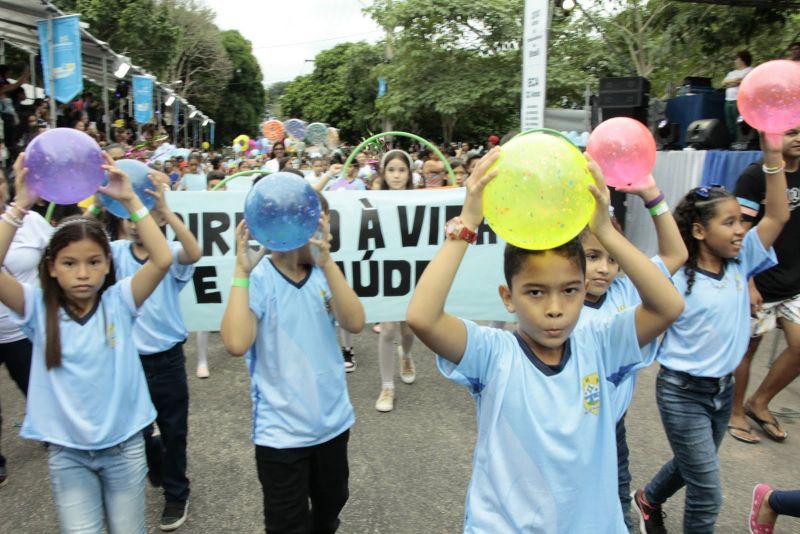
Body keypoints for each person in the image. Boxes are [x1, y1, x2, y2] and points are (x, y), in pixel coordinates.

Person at [406, 148, 684, 532]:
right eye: (535, 292)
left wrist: (605, 231)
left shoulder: (600, 345)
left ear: (584, 287)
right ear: (508, 297)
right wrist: (468, 221)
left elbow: (668, 306)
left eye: (570, 290)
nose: (555, 308)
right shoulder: (493, 353)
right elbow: (422, 317)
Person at [0, 153, 172, 532]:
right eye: (68, 263)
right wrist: (20, 205)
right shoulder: (35, 308)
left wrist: (131, 201)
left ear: (108, 265)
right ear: (50, 267)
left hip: (125, 449)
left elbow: (162, 260)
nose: (82, 274)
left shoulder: (120, 301)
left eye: (94, 262)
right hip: (68, 455)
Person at [632, 135, 789, 534]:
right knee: (707, 491)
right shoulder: (674, 276)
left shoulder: (742, 262)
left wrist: (773, 159)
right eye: (730, 222)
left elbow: (777, 217)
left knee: (691, 467)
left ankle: (649, 497)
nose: (742, 229)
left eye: (741, 220)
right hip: (682, 393)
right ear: (699, 231)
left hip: (721, 392)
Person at [220, 194, 365, 533]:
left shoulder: (324, 275)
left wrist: (328, 264)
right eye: (311, 224)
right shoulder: (259, 279)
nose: (317, 233)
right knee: (286, 523)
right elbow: (236, 342)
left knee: (332, 503)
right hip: (280, 434)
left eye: (322, 225)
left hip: (331, 424)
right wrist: (241, 272)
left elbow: (355, 321)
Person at [575, 173, 687, 532]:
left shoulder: (626, 292)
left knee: (617, 509)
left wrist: (652, 195)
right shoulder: (558, 305)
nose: (605, 268)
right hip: (566, 428)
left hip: (611, 430)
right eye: (592, 256)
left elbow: (676, 254)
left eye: (612, 259)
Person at [106, 170, 202, 531]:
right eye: (131, 215)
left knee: (173, 429)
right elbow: (75, 241)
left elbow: (194, 250)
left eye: (146, 215)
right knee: (137, 432)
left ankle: (177, 493)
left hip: (166, 359)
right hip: (126, 362)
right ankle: (156, 459)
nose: (136, 224)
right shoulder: (112, 253)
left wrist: (167, 210)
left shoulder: (172, 254)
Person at [729, 125, 800, 444]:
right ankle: (735, 412)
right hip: (760, 282)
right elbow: (739, 232)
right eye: (789, 132)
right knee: (747, 351)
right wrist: (749, 282)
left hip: (794, 282)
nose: (797, 138)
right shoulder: (755, 176)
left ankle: (759, 402)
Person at [0, 168, 52, 486]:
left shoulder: (31, 222)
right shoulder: (18, 215)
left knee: (37, 387)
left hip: (23, 330)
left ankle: (51, 430)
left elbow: (62, 250)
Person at [373, 150, 418, 412]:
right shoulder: (371, 200)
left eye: (401, 170)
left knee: (409, 330)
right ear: (383, 172)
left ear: (410, 174)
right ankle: (387, 386)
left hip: (413, 271)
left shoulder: (423, 200)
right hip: (386, 271)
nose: (397, 175)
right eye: (391, 170)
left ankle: (407, 355)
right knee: (388, 330)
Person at [721, 50, 754, 138]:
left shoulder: (750, 70)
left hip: (739, 100)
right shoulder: (732, 73)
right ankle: (734, 140)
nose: (735, 61)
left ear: (742, 60)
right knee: (730, 122)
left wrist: (731, 83)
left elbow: (741, 81)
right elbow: (723, 83)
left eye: (737, 59)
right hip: (728, 100)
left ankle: (742, 140)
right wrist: (734, 81)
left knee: (739, 122)